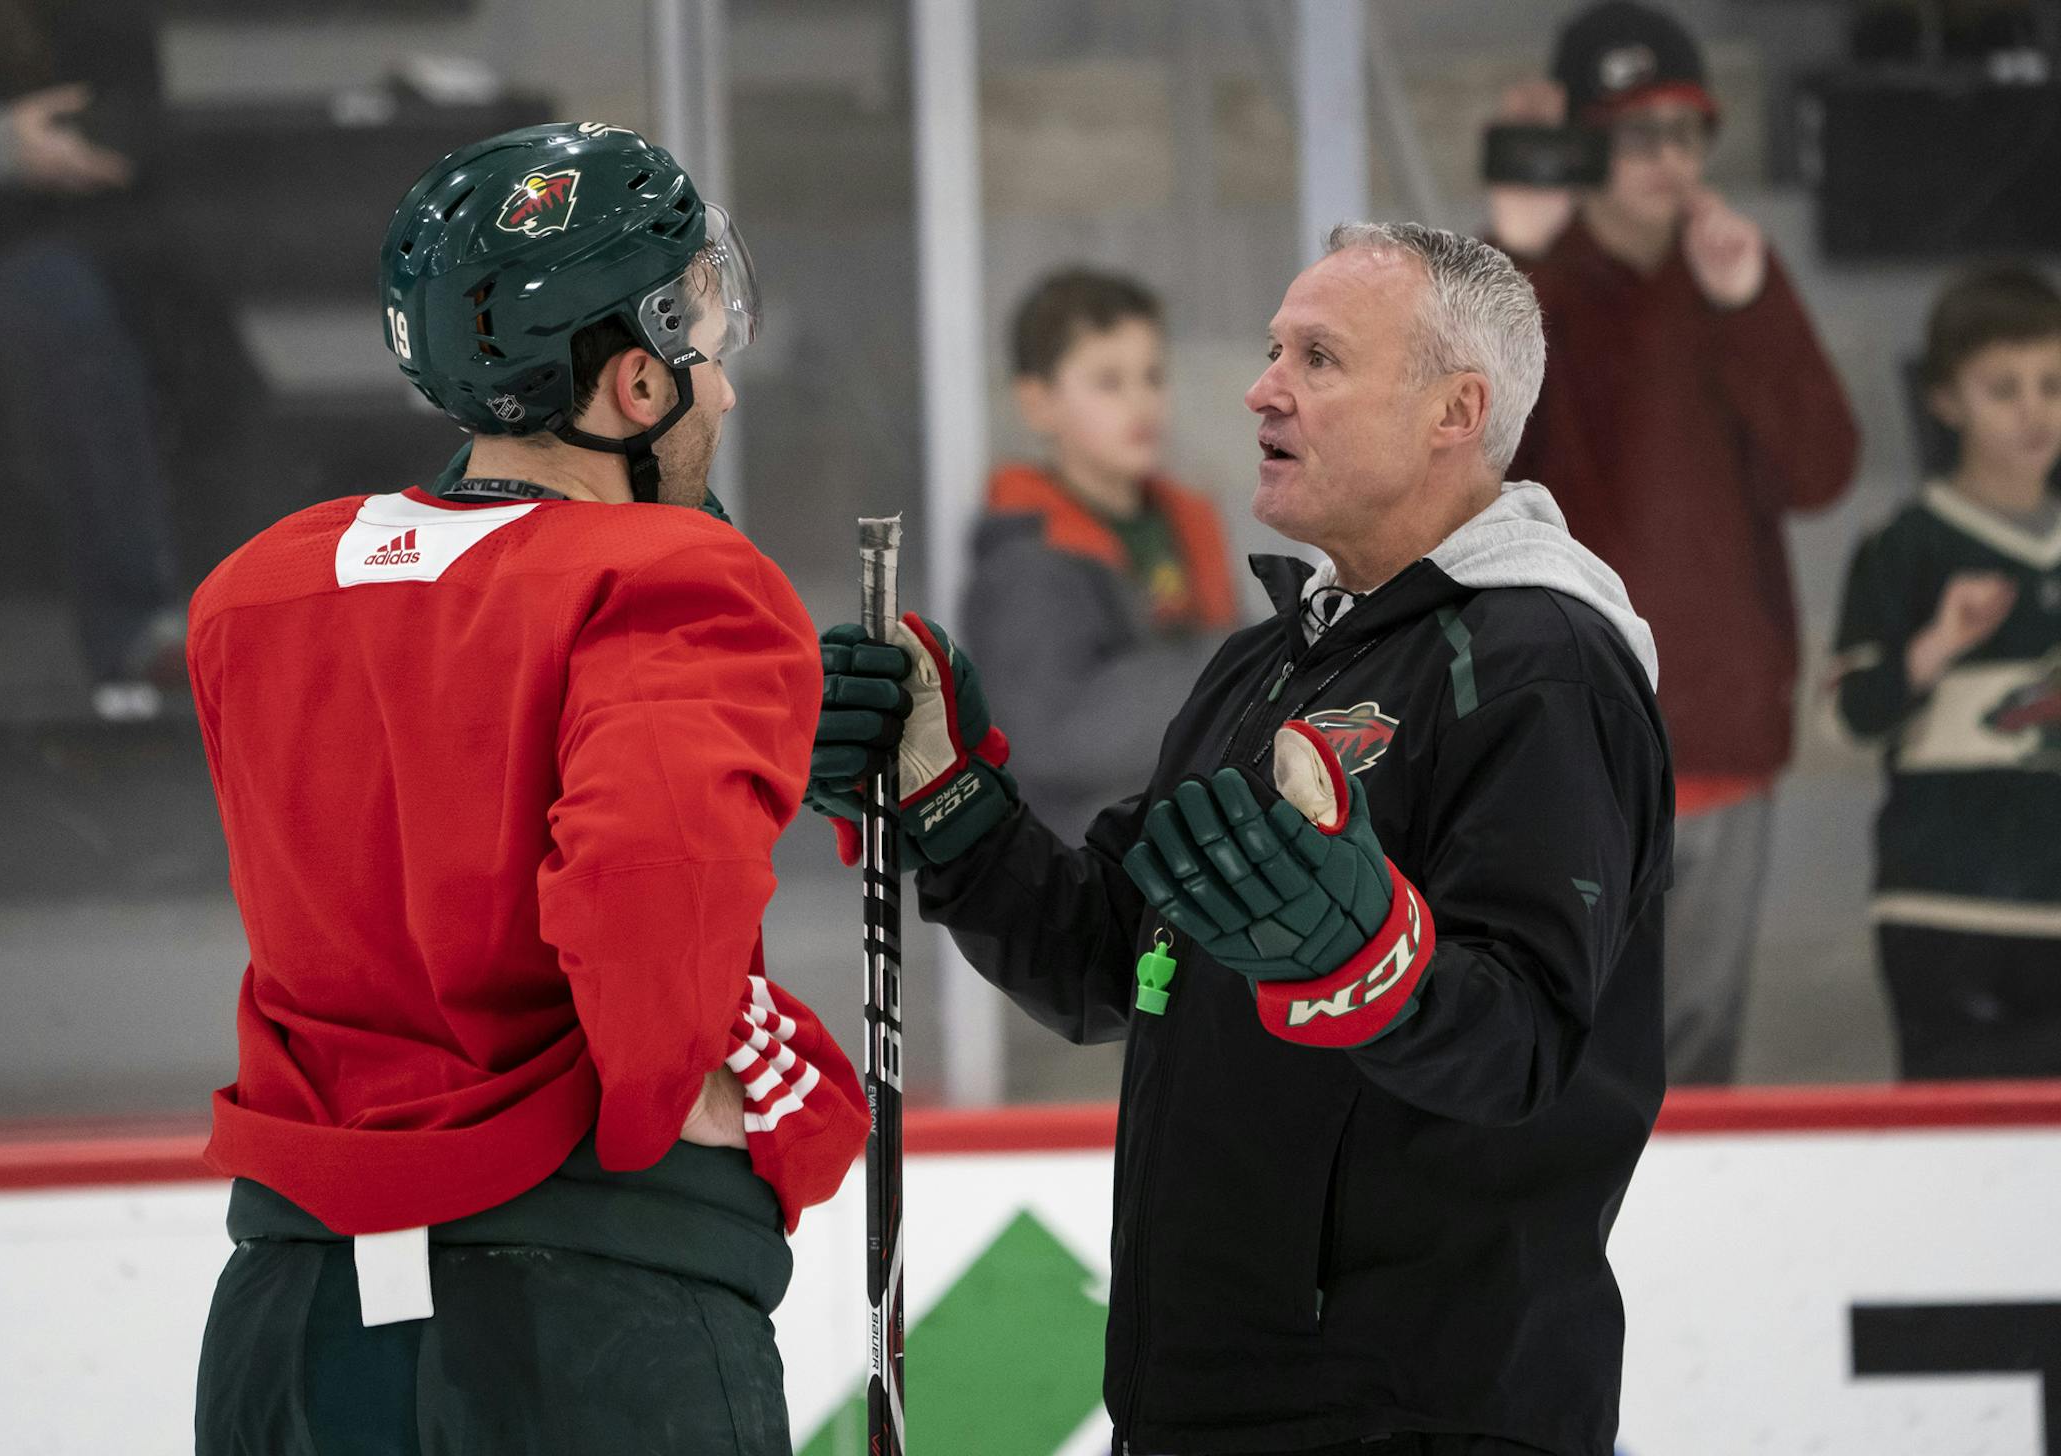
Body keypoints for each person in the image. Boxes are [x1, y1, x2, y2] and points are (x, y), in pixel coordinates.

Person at [812, 224, 1673, 1455]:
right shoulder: (1270, 661)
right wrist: (946, 799)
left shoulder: (1545, 667)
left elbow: (1528, 1044)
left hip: (1418, 1418)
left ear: (1454, 410)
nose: (1263, 386)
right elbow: (1113, 954)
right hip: (1200, 1403)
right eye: (1274, 350)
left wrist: (1363, 958)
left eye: (1317, 358)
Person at [188, 124, 867, 1455]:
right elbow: (643, 909)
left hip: (286, 1319)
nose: (722, 395)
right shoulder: (674, 580)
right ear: (631, 389)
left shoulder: (257, 591)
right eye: (703, 357)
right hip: (582, 1320)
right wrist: (655, 1114)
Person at [1489, 0, 1860, 1085]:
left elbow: (1823, 468)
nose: (1665, 159)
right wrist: (1516, 249)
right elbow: (1463, 474)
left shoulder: (1732, 274)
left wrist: (1748, 303)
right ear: (1580, 137)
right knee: (1565, 1050)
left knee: (1696, 1055)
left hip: (1719, 724)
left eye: (1685, 131)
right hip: (1568, 736)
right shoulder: (1525, 282)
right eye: (1633, 130)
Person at [0, 0, 187, 719]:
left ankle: (132, 629)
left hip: (61, 241)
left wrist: (31, 156)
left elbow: (129, 125)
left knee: (53, 301)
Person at [1831, 266, 2061, 1080]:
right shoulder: (1906, 546)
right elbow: (1852, 716)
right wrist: (1934, 647)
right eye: (2004, 388)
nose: (2034, 409)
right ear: (1944, 400)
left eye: (2051, 384)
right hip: (1944, 904)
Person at [966, 267, 1238, 838]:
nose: (1141, 402)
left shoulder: (1185, 522)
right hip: (1087, 873)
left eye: (1153, 377)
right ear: (1039, 404)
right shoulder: (1027, 560)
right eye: (1109, 382)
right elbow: (1053, 735)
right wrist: (1232, 675)